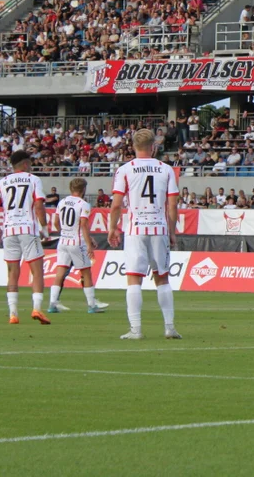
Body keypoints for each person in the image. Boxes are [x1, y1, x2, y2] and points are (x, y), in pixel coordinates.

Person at [108, 129, 181, 340]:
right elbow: (173, 204)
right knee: (162, 278)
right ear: (154, 147)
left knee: (133, 278)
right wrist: (172, 231)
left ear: (133, 147)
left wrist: (113, 228)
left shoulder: (124, 170)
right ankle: (169, 327)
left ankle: (136, 329)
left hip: (135, 228)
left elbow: (116, 205)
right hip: (158, 227)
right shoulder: (166, 169)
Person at [0, 150, 51, 325]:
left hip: (9, 230)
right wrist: (44, 228)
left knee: (12, 273)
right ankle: (37, 308)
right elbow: (38, 205)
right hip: (28, 229)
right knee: (37, 271)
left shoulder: (2, 182)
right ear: (25, 164)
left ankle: (13, 314)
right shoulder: (33, 179)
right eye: (29, 163)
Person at [49, 177, 107, 314]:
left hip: (63, 241)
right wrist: (89, 244)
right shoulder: (83, 204)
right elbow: (84, 225)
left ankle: (52, 304)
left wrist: (65, 232)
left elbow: (56, 222)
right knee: (86, 273)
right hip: (76, 242)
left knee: (60, 273)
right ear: (83, 190)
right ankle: (92, 305)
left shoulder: (62, 202)